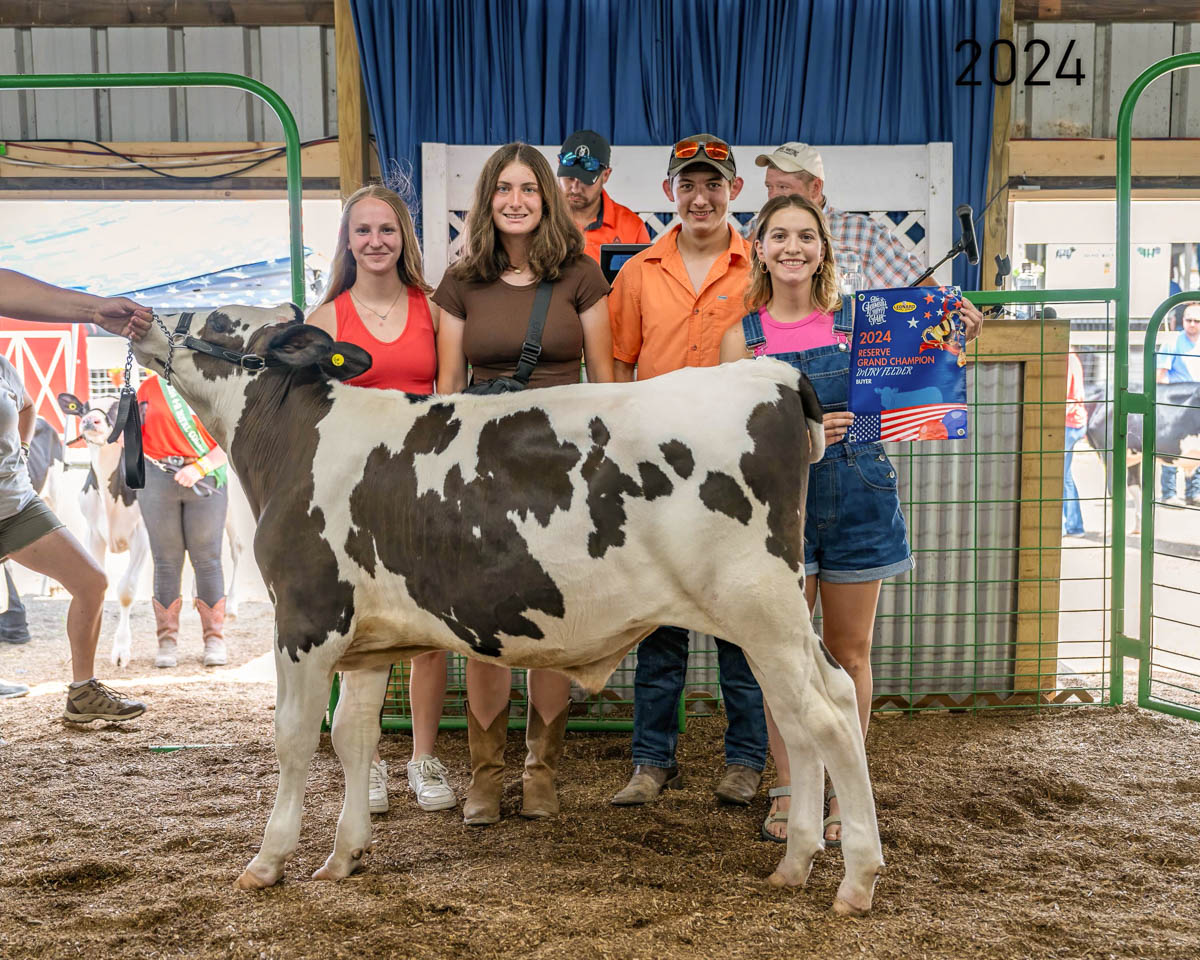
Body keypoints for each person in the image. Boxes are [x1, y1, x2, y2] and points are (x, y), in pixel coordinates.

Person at [719, 193, 982, 845]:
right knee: (784, 656)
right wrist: (802, 435)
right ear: (758, 247)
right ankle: (788, 789)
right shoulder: (738, 338)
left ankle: (843, 791)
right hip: (777, 508)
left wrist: (955, 338)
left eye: (806, 236)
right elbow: (729, 440)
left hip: (860, 495)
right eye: (778, 236)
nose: (793, 248)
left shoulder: (858, 325)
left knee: (849, 654)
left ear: (823, 248)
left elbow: (911, 406)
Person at [433, 141, 613, 825]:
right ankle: (486, 774)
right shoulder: (460, 283)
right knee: (483, 624)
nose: (516, 200)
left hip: (562, 470)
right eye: (503, 188)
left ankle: (542, 768)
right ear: (488, 200)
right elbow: (448, 391)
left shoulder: (581, 276)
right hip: (480, 468)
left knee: (549, 618)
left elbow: (607, 384)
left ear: (547, 198)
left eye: (528, 189)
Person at [607, 133, 769, 809]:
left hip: (738, 469)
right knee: (659, 622)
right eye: (687, 185)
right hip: (659, 473)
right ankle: (652, 760)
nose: (700, 197)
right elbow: (618, 362)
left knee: (740, 620)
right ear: (671, 192)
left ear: (734, 191)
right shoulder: (639, 271)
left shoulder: (760, 266)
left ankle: (745, 759)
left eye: (713, 184)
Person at [307, 184, 455, 818]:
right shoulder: (322, 321)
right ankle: (362, 766)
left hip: (426, 488)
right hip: (355, 499)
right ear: (348, 241)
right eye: (363, 231)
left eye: (387, 231)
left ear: (404, 240)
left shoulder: (438, 311)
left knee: (428, 632)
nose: (375, 241)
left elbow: (451, 401)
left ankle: (423, 757)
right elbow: (313, 418)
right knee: (358, 631)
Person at [0, 270, 150, 725]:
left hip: (14, 505)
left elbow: (26, 405)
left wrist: (23, 453)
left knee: (91, 581)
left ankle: (83, 693)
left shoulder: (1, 364)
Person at [137, 370, 231, 673]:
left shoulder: (210, 385)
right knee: (165, 560)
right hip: (157, 478)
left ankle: (214, 640)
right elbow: (132, 436)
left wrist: (201, 467)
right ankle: (167, 642)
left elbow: (230, 437)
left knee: (208, 560)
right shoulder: (148, 388)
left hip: (205, 480)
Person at [752, 142, 925, 291]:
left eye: (783, 187)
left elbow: (925, 292)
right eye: (769, 187)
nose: (772, 197)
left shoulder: (865, 233)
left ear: (815, 188)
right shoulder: (755, 228)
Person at [556, 130, 650, 263]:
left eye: (585, 180)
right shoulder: (542, 218)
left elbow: (643, 279)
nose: (575, 188)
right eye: (569, 178)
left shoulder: (632, 226)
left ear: (606, 175)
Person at [1155, 303, 1200, 504]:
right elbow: (1161, 376)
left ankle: (1194, 492)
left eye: (1197, 320)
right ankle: (1169, 493)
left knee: (1197, 448)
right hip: (1177, 407)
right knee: (1170, 447)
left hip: (1197, 406)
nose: (1192, 324)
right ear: (1182, 321)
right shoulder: (1172, 344)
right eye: (1189, 320)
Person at [1063, 351, 1088, 537]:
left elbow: (1067, 396)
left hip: (1068, 422)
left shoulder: (1068, 358)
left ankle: (1066, 525)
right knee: (1065, 475)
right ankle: (1073, 524)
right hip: (1073, 421)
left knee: (1060, 476)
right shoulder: (1071, 357)